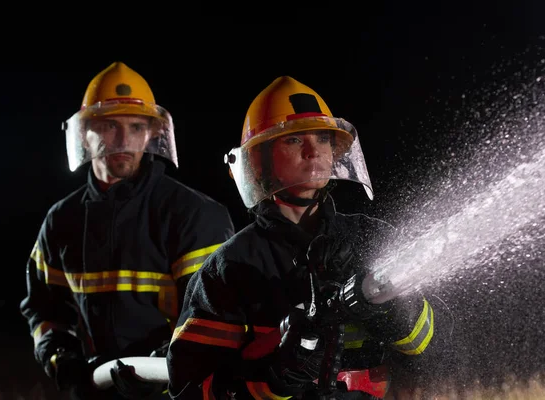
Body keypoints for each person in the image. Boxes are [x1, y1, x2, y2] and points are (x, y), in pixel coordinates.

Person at [167, 76, 435, 399]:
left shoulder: (371, 237)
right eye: (293, 140)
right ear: (259, 160)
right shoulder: (228, 269)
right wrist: (275, 377)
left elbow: (436, 350)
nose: (313, 151)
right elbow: (191, 390)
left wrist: (391, 307)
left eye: (322, 138)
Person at [19, 61, 235, 400]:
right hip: (93, 390)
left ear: (151, 134)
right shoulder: (61, 221)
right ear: (84, 135)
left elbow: (215, 319)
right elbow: (44, 310)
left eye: (136, 127)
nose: (123, 140)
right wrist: (60, 357)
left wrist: (158, 368)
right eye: (108, 126)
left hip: (173, 391)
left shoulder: (195, 215)